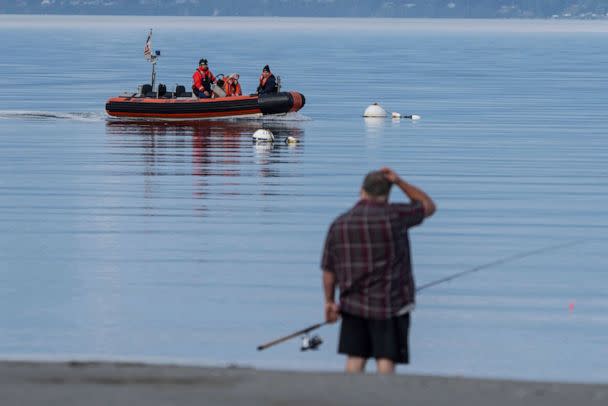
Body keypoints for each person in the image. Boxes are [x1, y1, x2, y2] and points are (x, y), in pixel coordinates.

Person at [321, 167, 436, 374]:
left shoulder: (340, 224)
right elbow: (428, 206)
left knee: (355, 358)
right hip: (391, 303)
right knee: (386, 358)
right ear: (387, 193)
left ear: (362, 190)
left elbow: (329, 269)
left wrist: (329, 301)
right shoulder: (396, 216)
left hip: (353, 304)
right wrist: (400, 182)